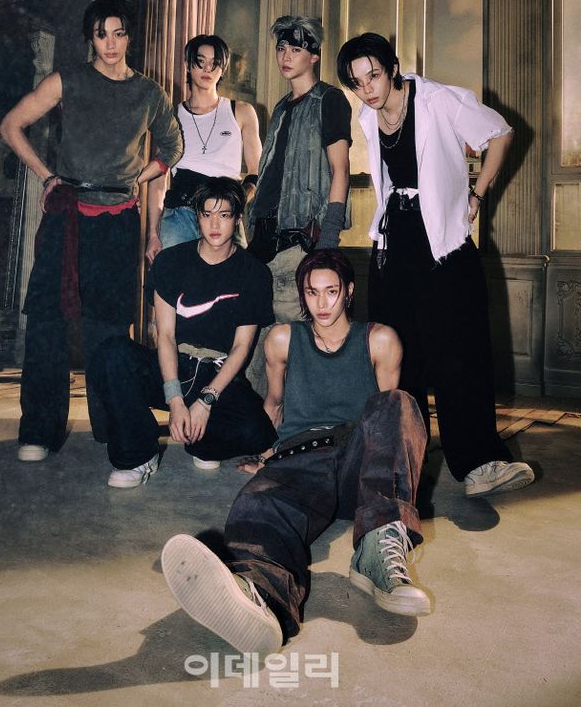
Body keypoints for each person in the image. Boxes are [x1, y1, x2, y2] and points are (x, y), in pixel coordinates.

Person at [162, 249, 431, 657]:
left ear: (349, 291)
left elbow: (389, 426)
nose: (322, 303)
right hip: (300, 455)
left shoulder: (379, 339)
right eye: (312, 292)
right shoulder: (283, 339)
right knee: (258, 504)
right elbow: (274, 403)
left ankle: (377, 547)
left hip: (358, 463)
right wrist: (264, 456)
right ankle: (261, 598)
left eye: (331, 291)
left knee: (398, 403)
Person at [336, 32, 535, 498]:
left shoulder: (438, 99)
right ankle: (403, 466)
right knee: (398, 356)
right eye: (356, 82)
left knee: (459, 353)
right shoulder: (367, 115)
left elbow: (501, 133)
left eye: (373, 76)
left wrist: (477, 194)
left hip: (443, 242)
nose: (367, 89)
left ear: (392, 68)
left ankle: (479, 463)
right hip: (395, 243)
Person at [0, 0, 182, 462]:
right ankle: (39, 432)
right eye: (102, 35)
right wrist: (46, 175)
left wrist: (139, 176)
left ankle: (111, 426)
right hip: (68, 215)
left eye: (119, 34)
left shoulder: (149, 92)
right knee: (48, 321)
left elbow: (172, 145)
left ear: (130, 37)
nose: (111, 44)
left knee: (109, 327)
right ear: (91, 39)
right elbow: (11, 125)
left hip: (118, 221)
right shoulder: (68, 80)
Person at [90, 178, 277, 487]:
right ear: (197, 217)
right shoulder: (171, 262)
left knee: (255, 432)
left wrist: (205, 401)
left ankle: (203, 443)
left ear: (237, 219)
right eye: (206, 214)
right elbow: (164, 335)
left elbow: (241, 347)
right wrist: (175, 399)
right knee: (112, 355)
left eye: (224, 215)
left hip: (217, 373)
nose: (214, 224)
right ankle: (138, 455)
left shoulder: (253, 273)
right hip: (174, 364)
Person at [246, 15, 351, 395]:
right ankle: (262, 422)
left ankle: (302, 424)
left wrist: (327, 241)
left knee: (295, 344)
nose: (285, 56)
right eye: (281, 48)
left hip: (299, 241)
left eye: (295, 49)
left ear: (314, 56)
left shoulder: (330, 100)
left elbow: (340, 170)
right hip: (262, 241)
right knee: (258, 345)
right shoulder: (281, 108)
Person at [147, 34, 261, 260]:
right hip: (180, 214)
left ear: (223, 68)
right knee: (176, 279)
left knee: (234, 279)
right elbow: (158, 178)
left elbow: (257, 173)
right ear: (188, 64)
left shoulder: (241, 111)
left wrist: (235, 203)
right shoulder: (172, 116)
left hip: (225, 213)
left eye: (215, 63)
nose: (208, 69)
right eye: (201, 62)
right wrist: (152, 233)